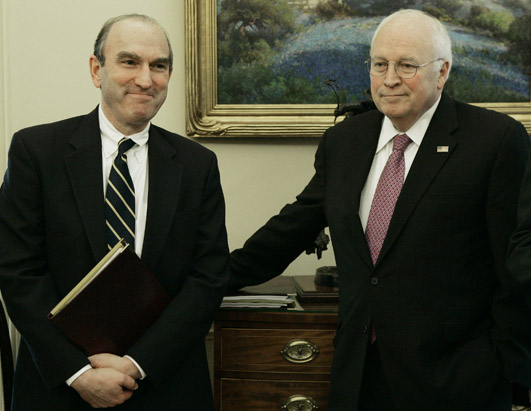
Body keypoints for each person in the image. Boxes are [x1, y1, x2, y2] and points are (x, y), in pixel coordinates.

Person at [229, 9, 531, 411]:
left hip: (457, 382)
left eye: (406, 65)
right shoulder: (344, 142)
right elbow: (292, 228)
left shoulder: (495, 141)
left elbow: (516, 266)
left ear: (442, 72)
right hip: (358, 375)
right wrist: (206, 279)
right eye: (379, 64)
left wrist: (503, 366)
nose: (389, 79)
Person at [0, 14, 229, 410]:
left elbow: (207, 278)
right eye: (129, 61)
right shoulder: (36, 152)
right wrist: (79, 373)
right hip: (60, 387)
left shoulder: (198, 164)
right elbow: (17, 271)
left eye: (159, 66)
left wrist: (137, 364)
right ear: (96, 69)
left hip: (164, 384)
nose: (145, 79)